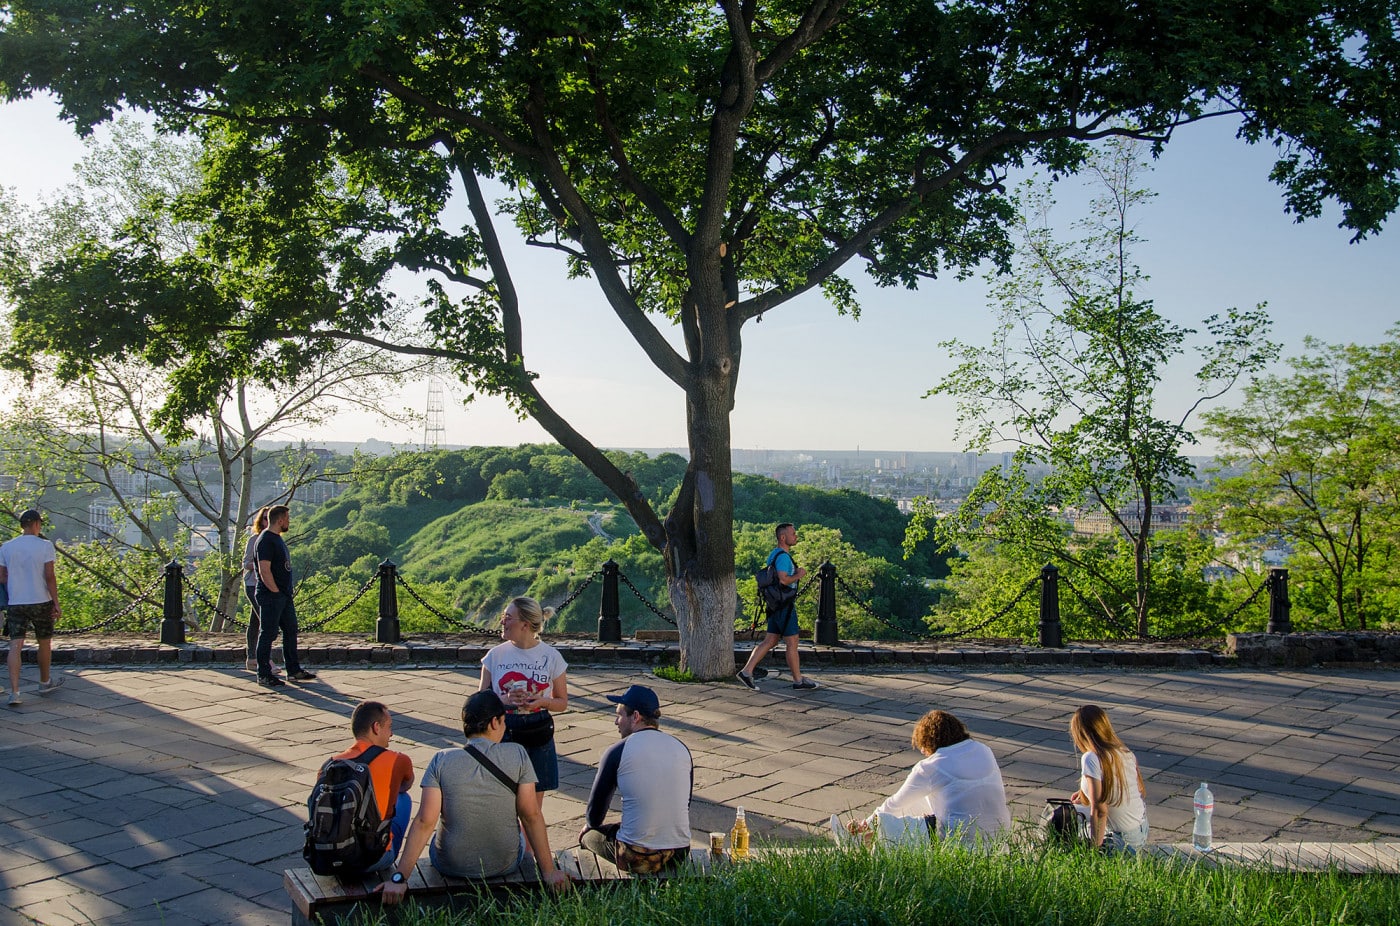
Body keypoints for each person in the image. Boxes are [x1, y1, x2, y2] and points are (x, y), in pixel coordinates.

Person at [376, 691, 569, 902]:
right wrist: (549, 871)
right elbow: (530, 816)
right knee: (519, 838)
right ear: (495, 722)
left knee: (438, 835)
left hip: (451, 865)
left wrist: (399, 878)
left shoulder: (441, 760)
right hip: (505, 864)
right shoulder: (518, 754)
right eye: (503, 721)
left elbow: (424, 822)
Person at [848, 709, 1010, 845]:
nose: (922, 751)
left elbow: (895, 804)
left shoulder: (931, 766)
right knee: (921, 799)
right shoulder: (983, 750)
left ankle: (861, 839)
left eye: (922, 746)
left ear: (929, 741)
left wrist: (867, 823)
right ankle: (869, 836)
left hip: (959, 841)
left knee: (898, 816)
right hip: (998, 838)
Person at [580, 684, 693, 874]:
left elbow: (594, 815)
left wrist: (590, 827)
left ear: (636, 716)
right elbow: (684, 803)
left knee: (589, 836)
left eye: (619, 715)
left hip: (636, 856)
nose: (616, 722)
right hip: (679, 852)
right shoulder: (681, 748)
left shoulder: (618, 751)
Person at [478, 596, 568, 812]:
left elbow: (562, 702)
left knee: (532, 807)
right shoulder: (495, 656)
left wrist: (542, 701)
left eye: (508, 617)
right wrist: (504, 700)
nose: (502, 622)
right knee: (503, 799)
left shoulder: (551, 657)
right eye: (504, 616)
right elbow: (480, 702)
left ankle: (528, 836)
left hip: (538, 729)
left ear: (525, 625)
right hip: (503, 728)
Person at [316, 700, 414, 872]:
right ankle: (387, 849)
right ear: (376, 727)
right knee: (403, 798)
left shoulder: (328, 765)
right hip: (373, 859)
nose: (391, 734)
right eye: (389, 727)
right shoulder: (398, 760)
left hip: (326, 858)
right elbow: (406, 784)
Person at [737, 522, 817, 690]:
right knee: (792, 642)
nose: (795, 536)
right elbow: (783, 580)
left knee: (771, 640)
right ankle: (798, 681)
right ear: (782, 537)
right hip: (784, 606)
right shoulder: (783, 558)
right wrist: (799, 574)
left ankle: (746, 672)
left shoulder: (774, 554)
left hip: (774, 605)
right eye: (792, 533)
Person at [2, 509, 64, 707]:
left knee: (15, 645)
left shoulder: (7, 547)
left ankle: (14, 692)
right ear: (37, 524)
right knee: (44, 642)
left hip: (16, 601)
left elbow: (2, 576)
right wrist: (56, 602)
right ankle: (44, 682)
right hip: (40, 600)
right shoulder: (45, 546)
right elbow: (50, 576)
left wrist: (14, 587)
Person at [1068, 704, 1149, 852]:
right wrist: (1085, 793)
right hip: (1140, 830)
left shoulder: (1091, 758)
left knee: (1064, 825)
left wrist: (1094, 851)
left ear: (1080, 734)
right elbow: (1138, 790)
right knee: (1077, 812)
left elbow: (1100, 811)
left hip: (1121, 839)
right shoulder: (1124, 752)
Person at [253, 504, 316, 687]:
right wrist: (275, 592)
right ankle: (263, 674)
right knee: (268, 633)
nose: (289, 522)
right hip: (272, 595)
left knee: (290, 630)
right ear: (280, 520)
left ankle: (293, 670)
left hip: (283, 595)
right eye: (287, 518)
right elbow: (264, 570)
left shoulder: (277, 539)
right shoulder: (266, 540)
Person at [241, 506, 272, 674]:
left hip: (267, 585)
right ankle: (264, 659)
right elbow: (246, 563)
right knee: (266, 621)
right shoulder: (254, 539)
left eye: (270, 518)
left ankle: (252, 658)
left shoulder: (274, 539)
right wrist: (261, 566)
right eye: (265, 518)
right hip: (253, 584)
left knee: (255, 621)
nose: (268, 522)